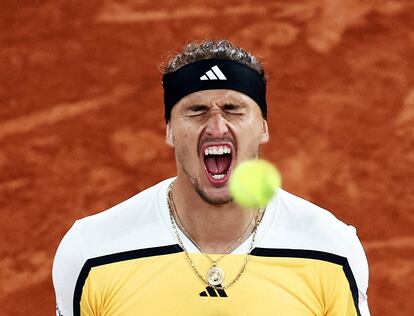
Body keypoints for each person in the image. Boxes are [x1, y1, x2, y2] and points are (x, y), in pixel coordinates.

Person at [52, 40, 370, 316]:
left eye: (233, 109)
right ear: (169, 130)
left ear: (263, 127)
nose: (217, 126)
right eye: (196, 110)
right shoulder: (92, 253)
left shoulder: (330, 251)